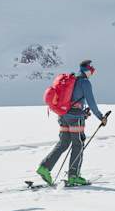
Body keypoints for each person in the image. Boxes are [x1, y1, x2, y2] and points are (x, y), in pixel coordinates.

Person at [38, 59, 109, 187]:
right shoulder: (85, 82)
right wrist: (101, 117)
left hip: (63, 115)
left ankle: (44, 168)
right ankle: (74, 176)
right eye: (92, 70)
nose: (92, 73)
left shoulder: (72, 80)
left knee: (63, 143)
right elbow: (91, 102)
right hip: (75, 118)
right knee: (78, 144)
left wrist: (82, 112)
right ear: (87, 71)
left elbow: (72, 101)